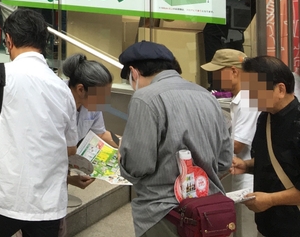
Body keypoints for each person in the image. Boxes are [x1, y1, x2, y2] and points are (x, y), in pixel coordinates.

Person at [0, 8, 78, 237]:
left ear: (9, 40)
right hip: (47, 203)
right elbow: (70, 147)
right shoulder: (62, 89)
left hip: (1, 195)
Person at [118, 41, 232, 237]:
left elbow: (138, 165)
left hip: (165, 213)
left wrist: (123, 156)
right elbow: (224, 161)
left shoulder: (144, 98)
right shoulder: (207, 96)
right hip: (209, 212)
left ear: (133, 72)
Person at [233, 56, 300, 237]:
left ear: (280, 89)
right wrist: (246, 165)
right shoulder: (265, 117)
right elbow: (275, 160)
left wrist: (270, 199)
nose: (249, 97)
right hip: (267, 225)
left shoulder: (297, 123)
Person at [202, 49, 261, 237]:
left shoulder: (248, 99)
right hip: (241, 174)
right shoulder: (240, 99)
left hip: (249, 180)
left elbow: (237, 145)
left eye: (218, 72)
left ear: (234, 71)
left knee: (247, 231)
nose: (215, 78)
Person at [62, 53, 117, 146]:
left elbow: (101, 134)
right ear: (80, 89)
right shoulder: (57, 99)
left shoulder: (92, 105)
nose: (104, 101)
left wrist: (125, 144)